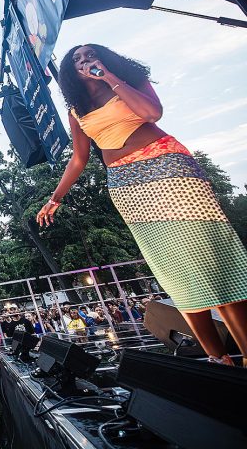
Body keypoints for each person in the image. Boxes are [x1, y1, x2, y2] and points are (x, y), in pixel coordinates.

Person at [37, 44, 247, 365]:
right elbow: (79, 160)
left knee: (210, 253)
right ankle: (219, 360)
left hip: (169, 167)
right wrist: (55, 198)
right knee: (174, 266)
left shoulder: (131, 81)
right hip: (126, 185)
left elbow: (152, 114)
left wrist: (110, 78)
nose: (84, 61)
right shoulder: (76, 111)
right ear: (69, 72)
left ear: (103, 59)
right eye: (77, 59)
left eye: (90, 55)